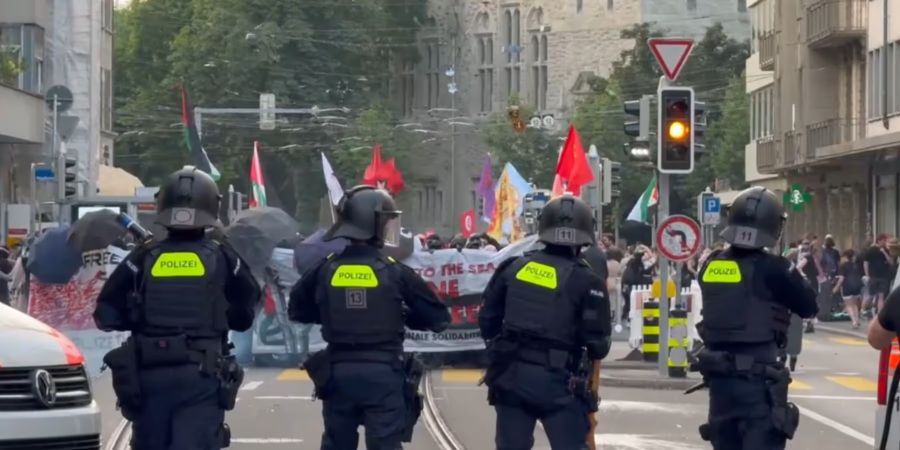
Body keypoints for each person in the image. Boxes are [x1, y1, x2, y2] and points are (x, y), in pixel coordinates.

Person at [94, 166, 261, 450]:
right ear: (212, 207)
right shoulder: (221, 255)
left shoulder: (144, 256)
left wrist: (138, 317)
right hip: (203, 375)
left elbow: (105, 313)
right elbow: (247, 305)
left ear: (163, 206)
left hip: (148, 374)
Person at [288, 185, 451, 450]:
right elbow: (439, 318)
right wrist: (405, 316)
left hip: (337, 373)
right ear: (375, 225)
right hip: (383, 375)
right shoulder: (395, 272)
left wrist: (332, 312)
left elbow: (296, 310)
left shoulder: (325, 268)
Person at [479, 194, 612, 450]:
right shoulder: (588, 281)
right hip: (561, 384)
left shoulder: (513, 267)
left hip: (511, 376)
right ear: (585, 235)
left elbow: (487, 321)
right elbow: (598, 345)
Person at [694, 186, 817, 450]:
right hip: (759, 385)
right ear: (774, 226)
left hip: (721, 386)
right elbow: (808, 305)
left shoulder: (712, 264)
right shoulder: (775, 269)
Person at [864, 234, 894, 317]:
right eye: (884, 240)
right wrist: (867, 275)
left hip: (884, 276)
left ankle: (879, 315)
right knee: (871, 295)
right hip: (873, 276)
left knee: (881, 296)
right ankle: (864, 309)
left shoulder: (886, 250)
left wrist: (884, 252)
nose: (885, 242)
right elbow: (866, 262)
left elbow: (891, 262)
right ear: (879, 240)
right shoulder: (871, 250)